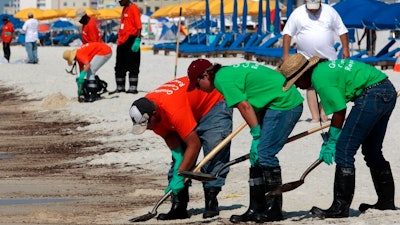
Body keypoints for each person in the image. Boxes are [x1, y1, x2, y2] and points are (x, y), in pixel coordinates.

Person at [279, 53, 397, 219]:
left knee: (344, 150)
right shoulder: (322, 70)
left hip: (372, 94)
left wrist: (333, 141)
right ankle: (386, 202)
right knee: (372, 150)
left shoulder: (320, 79)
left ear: (304, 74)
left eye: (296, 81)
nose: (297, 86)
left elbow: (340, 110)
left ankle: (340, 207)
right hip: (386, 89)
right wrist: (331, 137)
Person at [187, 59, 304, 223]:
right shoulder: (226, 73)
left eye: (197, 84)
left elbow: (244, 107)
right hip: (271, 103)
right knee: (256, 157)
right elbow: (255, 98)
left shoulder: (221, 80)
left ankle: (274, 209)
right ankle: (256, 207)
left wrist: (256, 134)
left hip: (285, 104)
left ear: (205, 75)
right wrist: (256, 136)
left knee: (265, 154)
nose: (199, 89)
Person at [129, 65, 233, 220]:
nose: (149, 129)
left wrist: (180, 176)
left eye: (148, 124)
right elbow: (172, 140)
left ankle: (211, 201)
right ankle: (179, 206)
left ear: (154, 115)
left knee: (213, 149)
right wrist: (179, 160)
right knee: (180, 160)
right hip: (189, 108)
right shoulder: (151, 116)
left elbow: (194, 144)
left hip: (212, 102)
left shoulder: (171, 109)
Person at [282, 0, 350, 123]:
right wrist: (285, 54)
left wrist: (345, 48)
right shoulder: (297, 13)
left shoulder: (330, 11)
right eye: (310, 8)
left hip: (328, 56)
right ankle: (315, 116)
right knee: (310, 86)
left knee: (327, 85)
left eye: (315, 7)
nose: (313, 10)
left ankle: (323, 112)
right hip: (305, 57)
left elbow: (342, 30)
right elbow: (287, 34)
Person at [111, 0, 142, 94]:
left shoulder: (134, 8)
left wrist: (137, 40)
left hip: (131, 39)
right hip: (122, 40)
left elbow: (139, 26)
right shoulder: (124, 9)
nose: (119, 2)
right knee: (119, 65)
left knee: (133, 64)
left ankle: (133, 87)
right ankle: (120, 87)